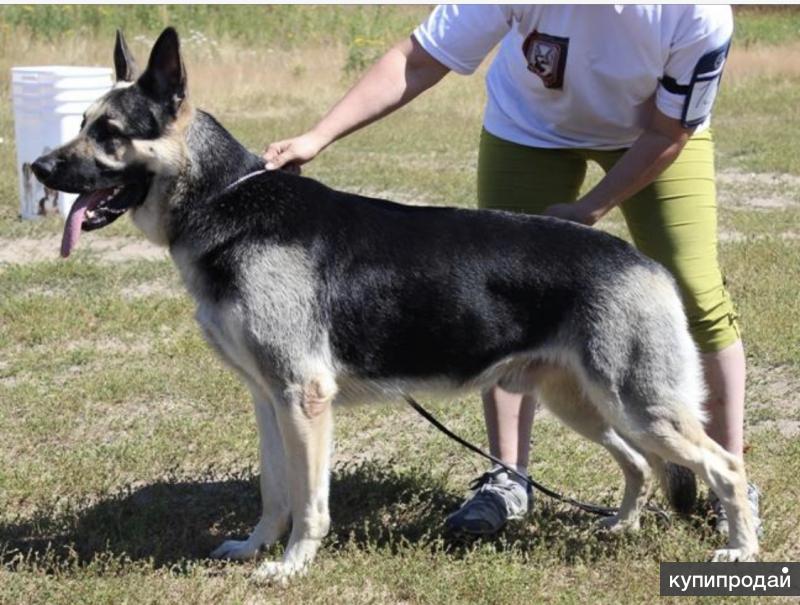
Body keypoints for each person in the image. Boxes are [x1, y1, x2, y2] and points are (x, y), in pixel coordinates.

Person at [264, 5, 760, 537]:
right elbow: (418, 59)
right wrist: (319, 135)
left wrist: (591, 208)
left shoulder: (698, 12)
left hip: (655, 136)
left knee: (695, 288)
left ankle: (727, 474)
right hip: (532, 129)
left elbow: (670, 129)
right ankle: (507, 479)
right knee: (501, 298)